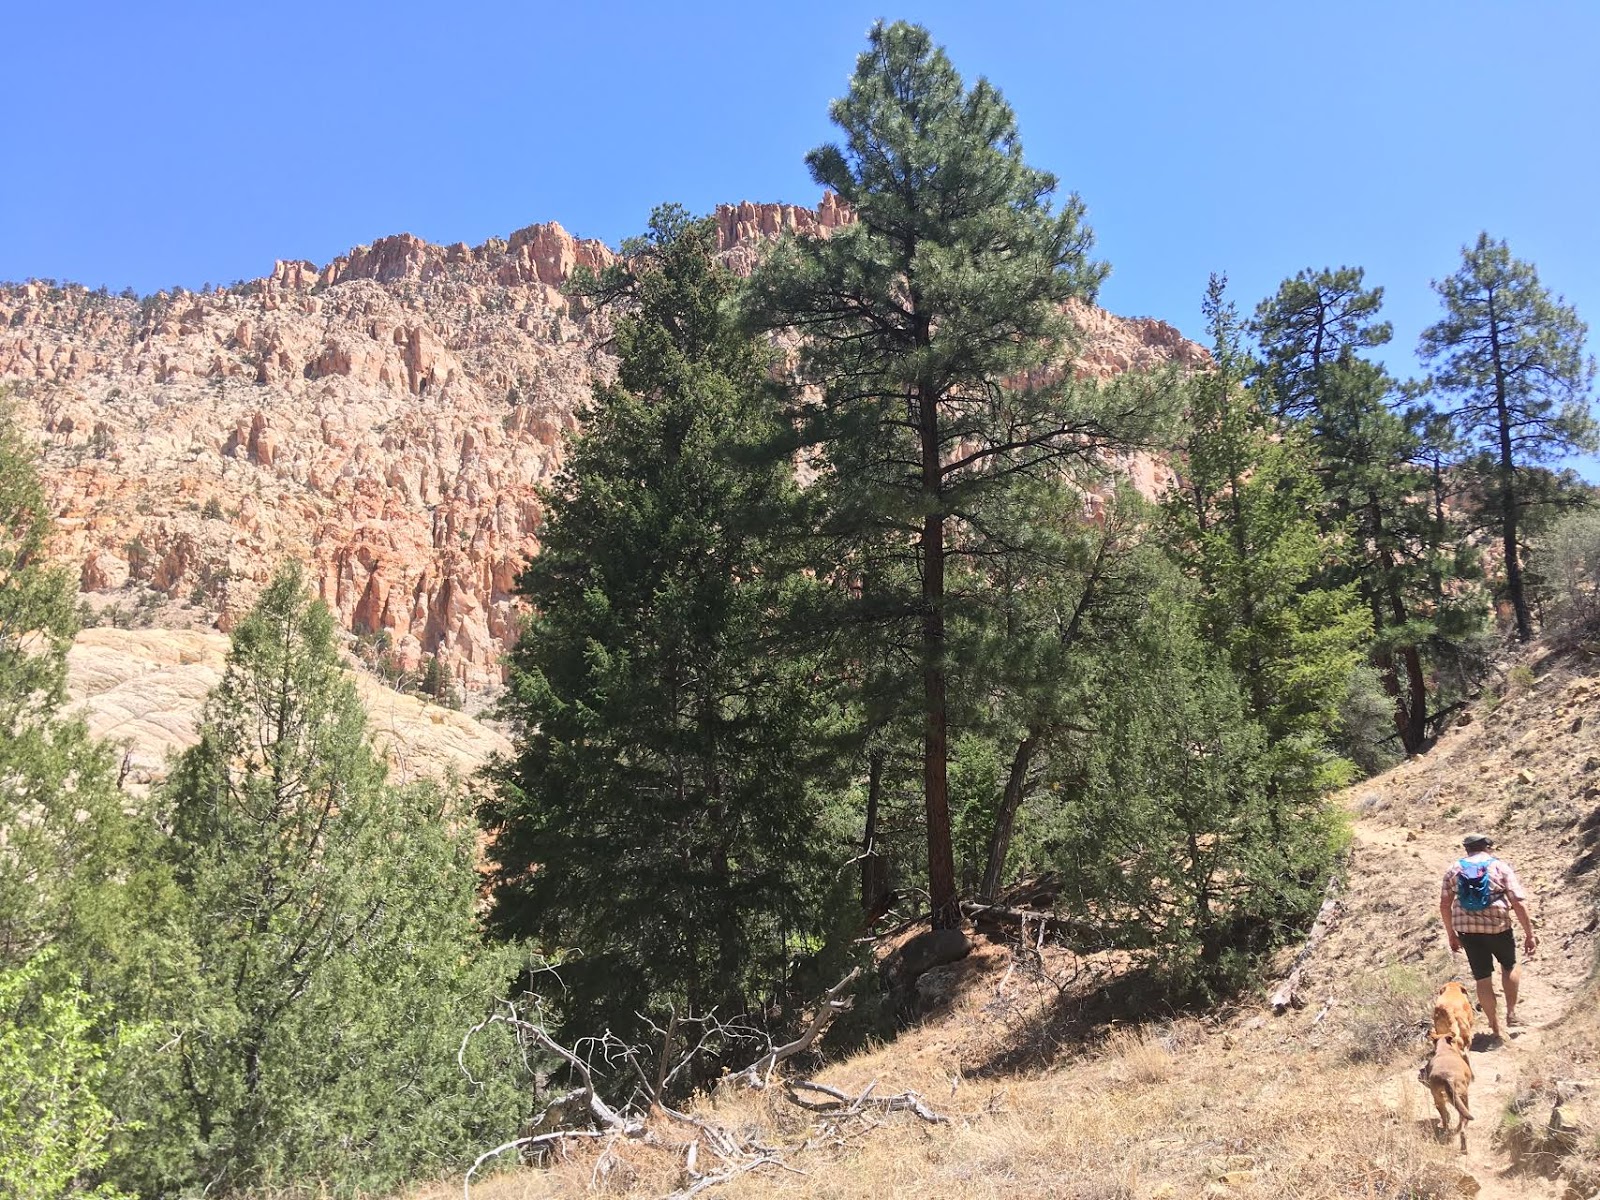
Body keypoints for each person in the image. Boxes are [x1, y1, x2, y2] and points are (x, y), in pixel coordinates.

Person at [1439, 832, 1537, 1040]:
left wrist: (1451, 934)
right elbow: (1517, 901)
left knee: (1482, 978)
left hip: (1467, 930)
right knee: (1509, 966)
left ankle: (1495, 1027)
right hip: (1498, 927)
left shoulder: (1454, 869)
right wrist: (1530, 933)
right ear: (1487, 847)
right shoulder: (1499, 866)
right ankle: (1511, 1013)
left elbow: (1445, 904)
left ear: (1467, 849)